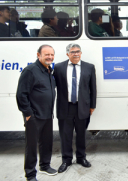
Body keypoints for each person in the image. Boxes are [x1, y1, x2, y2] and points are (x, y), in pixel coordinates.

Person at [16, 45, 57, 181]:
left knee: (46, 142)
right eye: (47, 54)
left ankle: (45, 166)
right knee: (32, 146)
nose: (50, 57)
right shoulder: (30, 71)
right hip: (34, 116)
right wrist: (28, 113)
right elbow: (21, 94)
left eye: (52, 54)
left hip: (47, 114)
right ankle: (30, 174)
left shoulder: (48, 70)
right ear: (38, 55)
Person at [54, 43, 97, 173]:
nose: (76, 54)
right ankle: (66, 160)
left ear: (81, 53)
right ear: (68, 54)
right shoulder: (59, 67)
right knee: (65, 135)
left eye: (78, 51)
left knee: (81, 134)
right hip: (65, 107)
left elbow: (93, 88)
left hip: (82, 107)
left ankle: (81, 157)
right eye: (73, 52)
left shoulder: (89, 67)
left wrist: (92, 105)